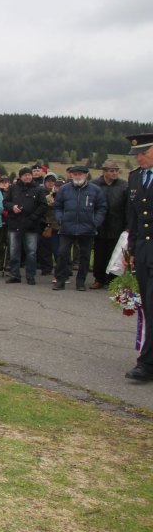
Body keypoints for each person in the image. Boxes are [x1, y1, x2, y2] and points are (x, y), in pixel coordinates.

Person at [52, 166, 107, 291]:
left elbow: (102, 208)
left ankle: (80, 282)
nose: (77, 176)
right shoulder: (64, 189)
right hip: (67, 227)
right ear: (71, 175)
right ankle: (60, 280)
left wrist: (96, 222)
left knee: (85, 256)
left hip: (87, 228)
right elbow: (58, 206)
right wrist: (60, 219)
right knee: (62, 254)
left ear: (86, 175)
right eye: (75, 174)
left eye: (80, 174)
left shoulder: (95, 190)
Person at [125, 133, 153, 380]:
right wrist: (132, 250)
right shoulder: (135, 177)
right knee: (148, 307)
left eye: (143, 153)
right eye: (137, 154)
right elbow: (133, 217)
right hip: (143, 252)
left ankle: (147, 363)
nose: (139, 158)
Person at [4, 167, 47, 285]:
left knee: (31, 252)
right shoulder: (13, 188)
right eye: (25, 175)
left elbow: (43, 205)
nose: (27, 177)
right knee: (14, 251)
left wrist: (33, 217)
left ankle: (30, 275)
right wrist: (12, 207)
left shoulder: (38, 189)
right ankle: (14, 275)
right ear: (20, 177)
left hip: (31, 225)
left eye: (29, 174)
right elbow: (5, 202)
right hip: (15, 224)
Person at [91, 159, 129, 289]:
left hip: (117, 224)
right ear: (104, 172)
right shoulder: (94, 184)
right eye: (112, 171)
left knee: (115, 254)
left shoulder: (124, 185)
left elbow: (128, 207)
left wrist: (127, 226)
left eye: (117, 171)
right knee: (99, 253)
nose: (115, 173)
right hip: (99, 225)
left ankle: (113, 280)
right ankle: (99, 279)